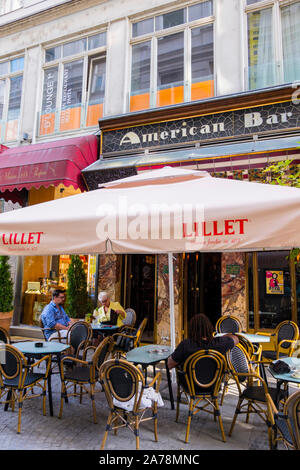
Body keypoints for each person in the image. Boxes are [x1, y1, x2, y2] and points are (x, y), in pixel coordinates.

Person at [167, 313, 239, 370]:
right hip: (214, 386)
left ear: (191, 329)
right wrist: (221, 337)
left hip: (189, 385)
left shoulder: (185, 345)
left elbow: (169, 365)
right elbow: (236, 338)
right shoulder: (220, 342)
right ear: (210, 328)